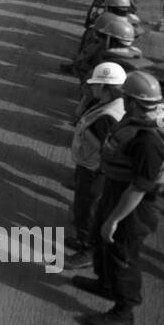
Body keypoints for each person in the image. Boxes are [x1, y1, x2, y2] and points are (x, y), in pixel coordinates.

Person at [72, 71, 164, 325]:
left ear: (132, 101)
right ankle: (106, 283)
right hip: (115, 190)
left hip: (132, 206)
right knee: (102, 242)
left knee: (122, 254)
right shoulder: (150, 115)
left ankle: (124, 311)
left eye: (125, 96)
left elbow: (141, 186)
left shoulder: (147, 140)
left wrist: (114, 219)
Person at [68, 63, 126, 270]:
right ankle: (85, 241)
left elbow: (107, 150)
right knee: (85, 207)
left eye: (96, 84)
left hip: (94, 171)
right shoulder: (113, 103)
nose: (91, 87)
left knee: (87, 210)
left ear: (106, 87)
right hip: (92, 166)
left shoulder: (107, 116)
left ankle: (88, 249)